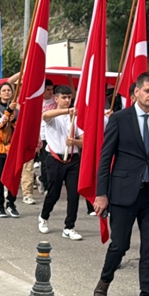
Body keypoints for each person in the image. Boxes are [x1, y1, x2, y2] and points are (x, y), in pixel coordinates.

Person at [93, 72, 149, 296]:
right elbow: (106, 158)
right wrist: (101, 194)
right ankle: (105, 280)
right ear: (136, 92)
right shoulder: (119, 119)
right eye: (148, 91)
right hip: (123, 193)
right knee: (121, 245)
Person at [38, 85, 84, 240]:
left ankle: (69, 226)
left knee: (74, 194)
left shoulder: (76, 117)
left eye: (69, 97)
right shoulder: (53, 116)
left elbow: (84, 141)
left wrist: (75, 142)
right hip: (55, 159)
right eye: (63, 97)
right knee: (54, 193)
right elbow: (46, 115)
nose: (67, 100)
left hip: (73, 159)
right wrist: (67, 111)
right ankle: (44, 216)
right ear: (56, 99)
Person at [0, 81, 21, 218]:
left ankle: (11, 203)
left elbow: (17, 128)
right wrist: (8, 112)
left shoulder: (16, 110)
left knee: (13, 177)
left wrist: (14, 119)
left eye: (9, 90)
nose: (7, 92)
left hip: (11, 148)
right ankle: (0, 205)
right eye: (4, 90)